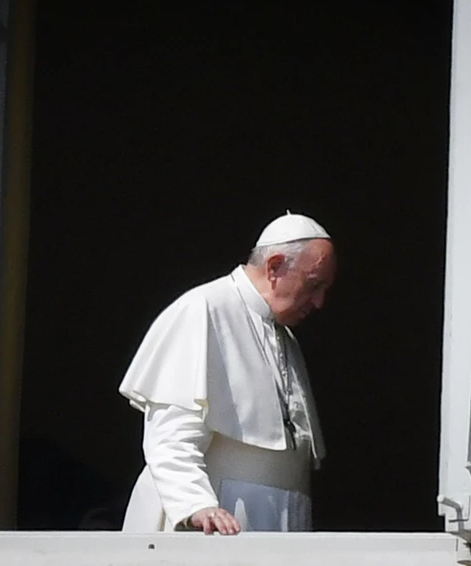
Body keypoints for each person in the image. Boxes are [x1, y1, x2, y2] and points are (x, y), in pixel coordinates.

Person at [117, 212, 336, 534]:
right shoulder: (204, 309)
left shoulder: (283, 335)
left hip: (279, 522)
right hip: (220, 522)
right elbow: (170, 434)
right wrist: (195, 505)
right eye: (313, 285)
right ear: (274, 267)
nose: (319, 302)